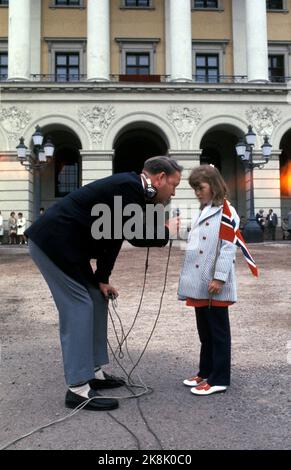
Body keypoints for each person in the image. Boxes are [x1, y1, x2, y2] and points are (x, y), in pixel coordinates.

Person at [25, 156, 182, 411]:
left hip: (69, 249)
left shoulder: (136, 191)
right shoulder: (129, 186)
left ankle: (94, 372)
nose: (173, 192)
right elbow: (136, 235)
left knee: (97, 299)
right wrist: (166, 231)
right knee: (79, 306)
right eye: (174, 185)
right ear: (160, 178)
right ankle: (77, 388)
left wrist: (102, 279)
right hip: (53, 244)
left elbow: (114, 238)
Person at [178, 165, 239, 396]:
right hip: (201, 281)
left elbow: (227, 248)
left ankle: (219, 378)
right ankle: (206, 372)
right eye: (194, 189)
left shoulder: (227, 212)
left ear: (213, 186)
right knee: (205, 331)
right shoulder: (205, 209)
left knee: (218, 332)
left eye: (200, 187)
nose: (197, 192)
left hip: (214, 283)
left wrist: (219, 278)